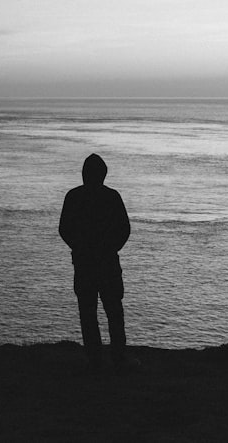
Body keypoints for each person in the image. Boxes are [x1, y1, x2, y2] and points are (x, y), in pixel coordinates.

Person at [59, 153, 131, 369]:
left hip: (86, 263)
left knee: (89, 312)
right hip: (105, 262)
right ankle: (117, 356)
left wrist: (80, 248)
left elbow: (64, 229)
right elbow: (124, 229)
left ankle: (96, 358)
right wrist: (110, 249)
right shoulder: (112, 197)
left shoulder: (74, 196)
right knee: (112, 311)